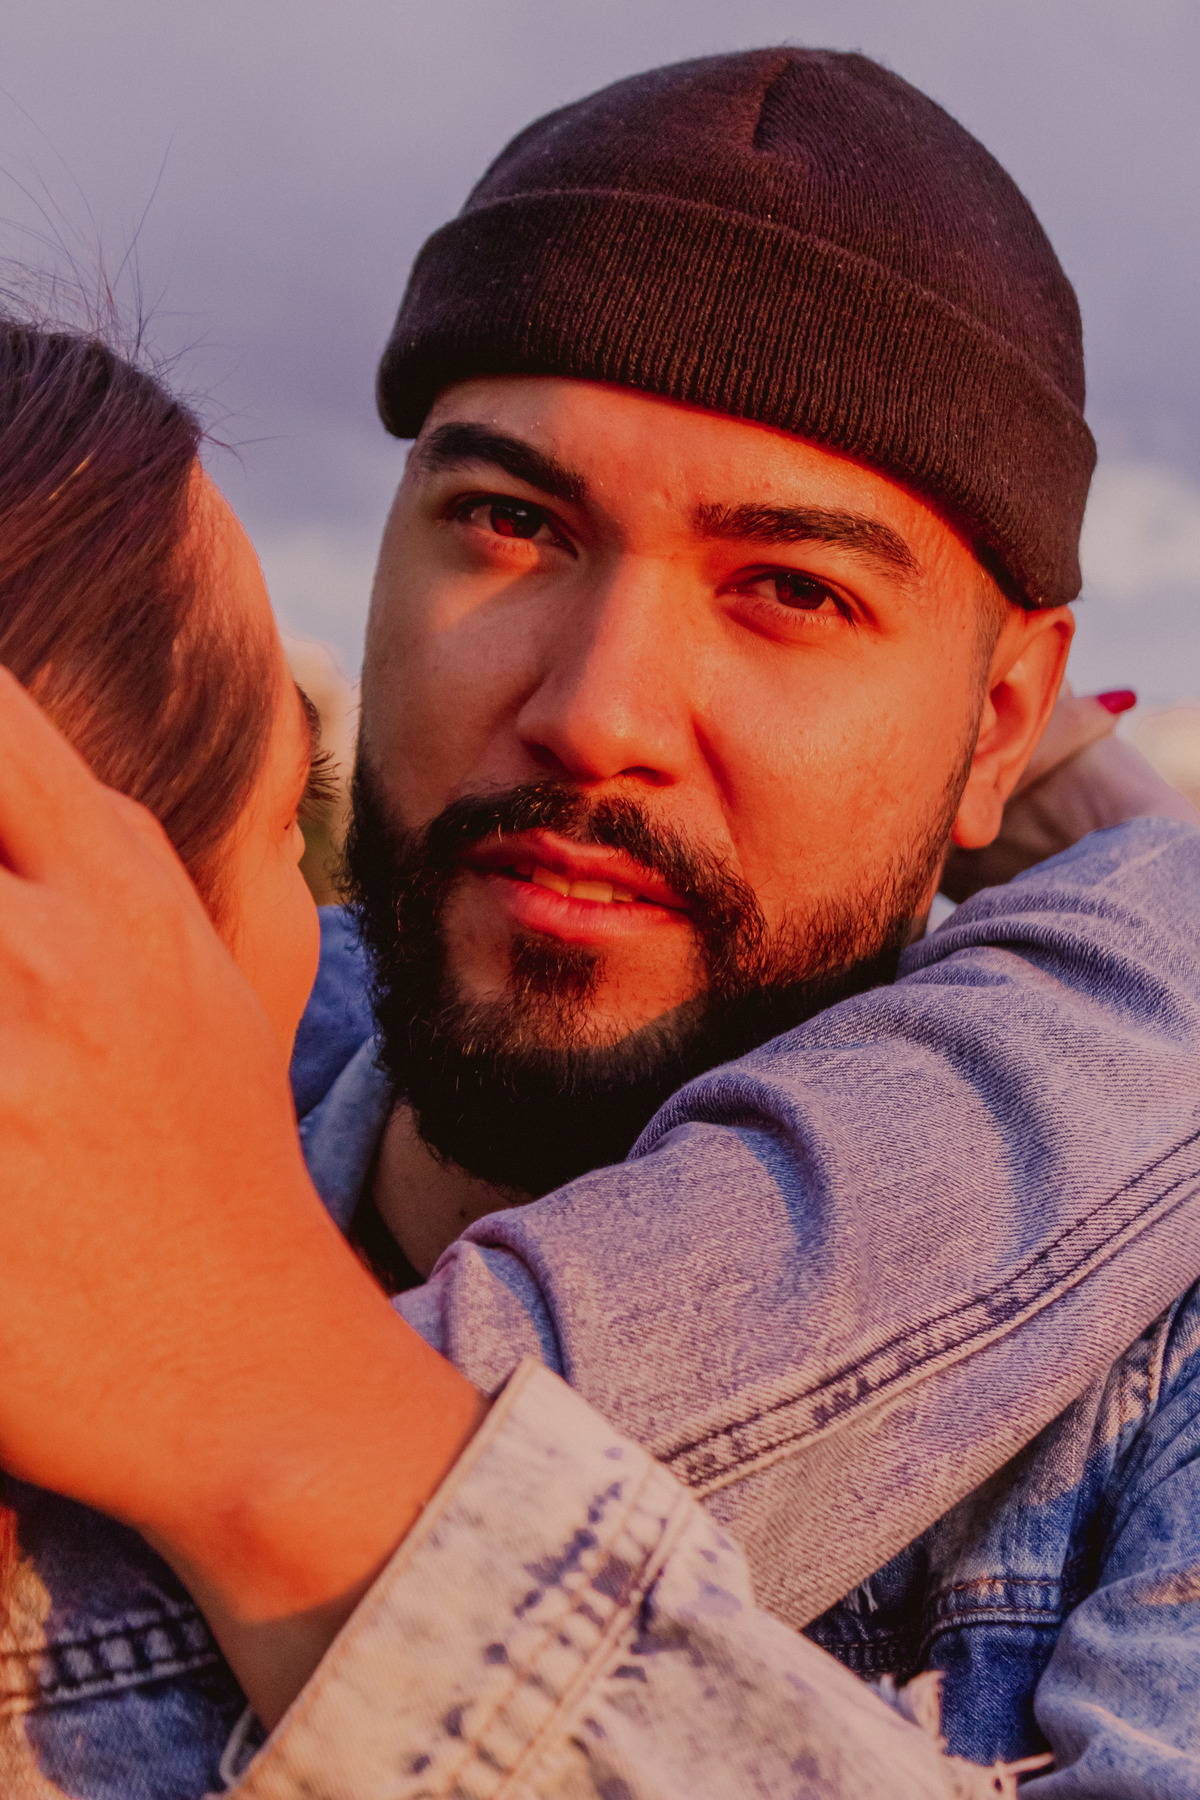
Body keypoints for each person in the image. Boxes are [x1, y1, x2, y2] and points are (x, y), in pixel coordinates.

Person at [2, 48, 1200, 1797]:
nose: (598, 708)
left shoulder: (1150, 1385)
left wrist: (263, 1412)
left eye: (792, 590)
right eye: (511, 522)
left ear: (1000, 722)